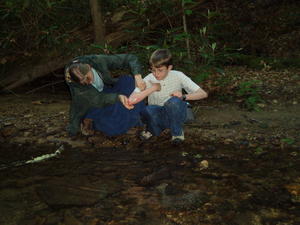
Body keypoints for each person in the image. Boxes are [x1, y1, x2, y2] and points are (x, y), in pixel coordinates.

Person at [64, 53, 160, 136]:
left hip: (107, 88)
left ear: (89, 67)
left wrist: (137, 76)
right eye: (84, 82)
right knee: (112, 127)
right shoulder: (74, 83)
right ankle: (91, 120)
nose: (88, 82)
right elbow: (97, 99)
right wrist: (118, 97)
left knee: (128, 81)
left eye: (88, 78)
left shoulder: (98, 61)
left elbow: (130, 58)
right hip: (93, 100)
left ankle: (135, 118)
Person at [140, 49, 208, 143]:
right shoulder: (149, 78)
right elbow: (137, 95)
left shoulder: (178, 75)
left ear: (169, 68)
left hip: (176, 111)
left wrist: (183, 96)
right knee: (147, 109)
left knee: (173, 102)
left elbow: (203, 94)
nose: (156, 74)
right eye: (153, 70)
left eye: (160, 70)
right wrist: (140, 88)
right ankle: (153, 129)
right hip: (159, 113)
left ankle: (177, 133)